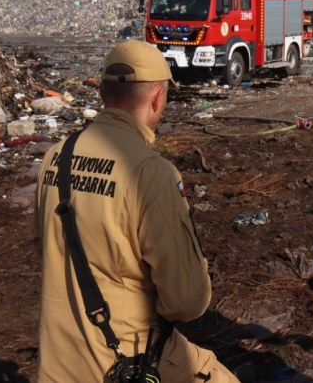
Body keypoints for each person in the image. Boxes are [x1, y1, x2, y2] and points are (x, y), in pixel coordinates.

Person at [35, 40, 239, 383]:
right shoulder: (151, 173)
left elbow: (45, 247)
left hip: (59, 362)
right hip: (130, 361)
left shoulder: (56, 156)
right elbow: (187, 302)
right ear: (158, 97)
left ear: (102, 92)